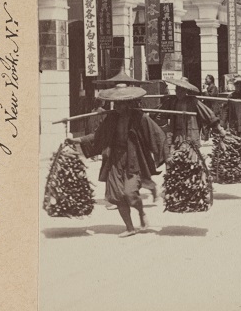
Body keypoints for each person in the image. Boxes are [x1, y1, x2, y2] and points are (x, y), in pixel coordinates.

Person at [66, 84, 168, 237]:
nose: (118, 106)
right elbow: (98, 136)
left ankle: (141, 212)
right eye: (116, 103)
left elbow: (158, 135)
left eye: (121, 103)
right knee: (117, 196)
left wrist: (167, 156)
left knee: (130, 193)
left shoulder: (140, 118)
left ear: (128, 103)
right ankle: (130, 227)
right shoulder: (111, 118)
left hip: (133, 159)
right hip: (114, 160)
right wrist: (78, 140)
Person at [165, 78, 221, 145]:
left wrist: (219, 128)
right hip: (177, 134)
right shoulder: (173, 101)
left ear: (186, 91)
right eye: (177, 89)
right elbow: (159, 113)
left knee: (191, 149)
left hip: (190, 134)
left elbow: (207, 113)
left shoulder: (193, 101)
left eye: (182, 90)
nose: (179, 92)